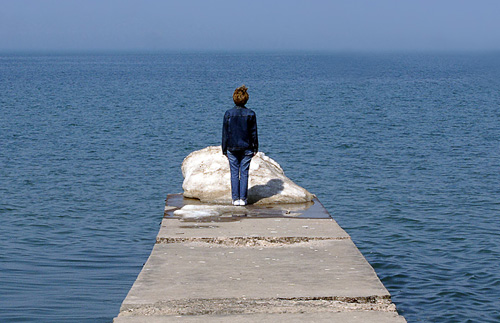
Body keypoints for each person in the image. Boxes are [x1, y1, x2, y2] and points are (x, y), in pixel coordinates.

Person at [222, 85, 258, 206]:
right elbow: (253, 133)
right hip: (247, 147)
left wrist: (224, 149)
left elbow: (225, 133)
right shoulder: (251, 114)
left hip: (232, 147)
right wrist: (255, 147)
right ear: (246, 99)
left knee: (234, 173)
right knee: (244, 173)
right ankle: (243, 199)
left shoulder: (228, 114)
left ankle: (235, 199)